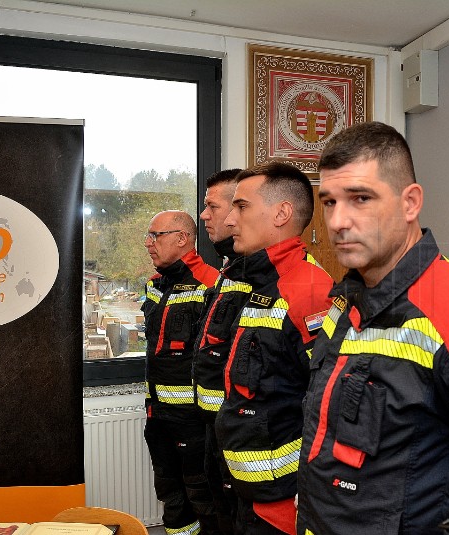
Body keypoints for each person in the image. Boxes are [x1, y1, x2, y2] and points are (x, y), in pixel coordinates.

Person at [296, 121, 449, 535]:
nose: (338, 221)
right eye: (329, 202)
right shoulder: (345, 300)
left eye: (360, 198)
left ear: (410, 203)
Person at [213, 162, 335, 535]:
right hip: (248, 489)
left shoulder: (310, 291)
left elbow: (328, 406)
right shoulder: (260, 284)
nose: (231, 220)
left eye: (242, 207)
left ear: (282, 213)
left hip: (283, 505)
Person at [142, 210, 220, 535]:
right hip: (158, 417)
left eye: (155, 235)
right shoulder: (154, 285)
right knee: (171, 499)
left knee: (204, 500)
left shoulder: (213, 285)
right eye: (148, 236)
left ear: (182, 239)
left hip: (195, 422)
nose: (148, 243)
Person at [194, 168, 243, 534]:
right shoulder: (229, 273)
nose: (204, 215)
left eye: (212, 206)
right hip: (215, 428)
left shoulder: (293, 281)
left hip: (251, 444)